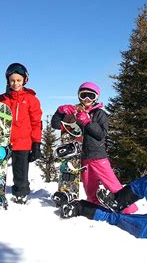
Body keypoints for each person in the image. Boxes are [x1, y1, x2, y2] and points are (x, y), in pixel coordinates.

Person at [51, 82, 137, 214]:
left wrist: (88, 122)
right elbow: (56, 124)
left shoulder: (99, 114)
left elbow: (101, 134)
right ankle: (95, 206)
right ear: (79, 96)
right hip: (83, 157)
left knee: (111, 183)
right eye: (83, 95)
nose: (86, 99)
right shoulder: (74, 112)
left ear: (96, 98)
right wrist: (60, 111)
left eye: (90, 96)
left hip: (98, 156)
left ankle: (128, 209)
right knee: (89, 185)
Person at [0, 63, 43, 204]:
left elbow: (36, 123)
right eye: (12, 80)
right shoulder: (0, 100)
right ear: (8, 81)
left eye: (18, 80)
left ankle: (21, 193)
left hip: (23, 142)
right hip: (4, 141)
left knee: (20, 172)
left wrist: (36, 143)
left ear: (24, 80)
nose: (15, 83)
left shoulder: (31, 100)